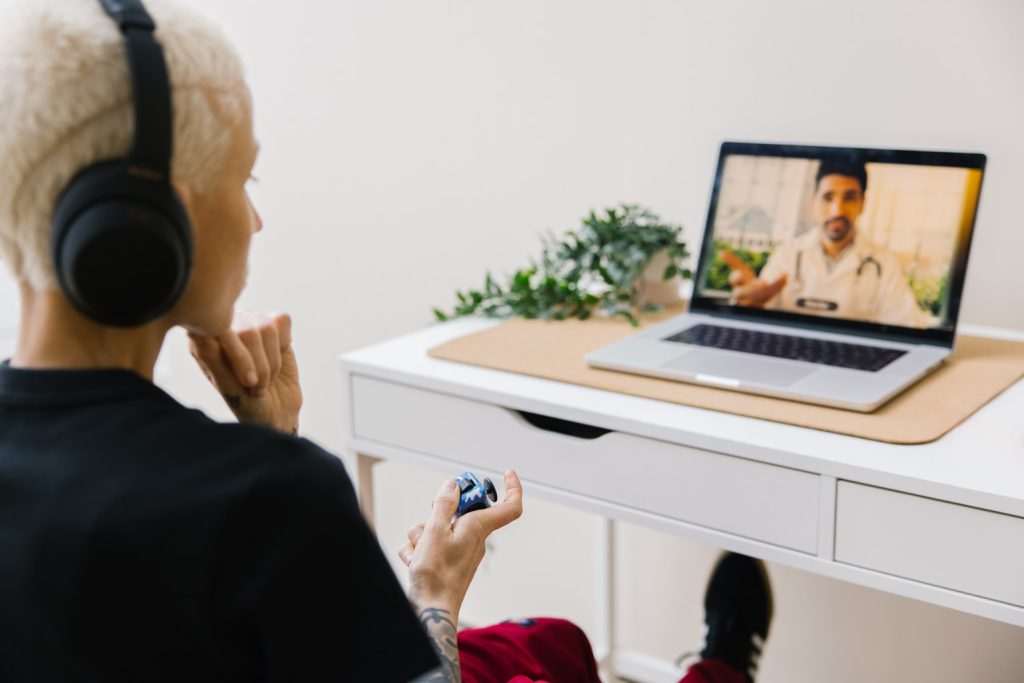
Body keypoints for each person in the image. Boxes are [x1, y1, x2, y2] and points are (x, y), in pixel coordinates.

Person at [0, 1, 774, 682]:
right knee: (557, 651)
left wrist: (266, 442)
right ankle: (719, 670)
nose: (256, 220)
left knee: (543, 646)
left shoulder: (247, 495)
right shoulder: (273, 501)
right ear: (152, 223)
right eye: (246, 181)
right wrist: (433, 593)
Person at [722, 158, 929, 328]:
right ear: (814, 203)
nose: (837, 210)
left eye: (849, 198)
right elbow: (757, 310)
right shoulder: (788, 254)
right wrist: (749, 305)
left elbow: (909, 327)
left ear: (862, 203)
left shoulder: (885, 264)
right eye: (828, 197)